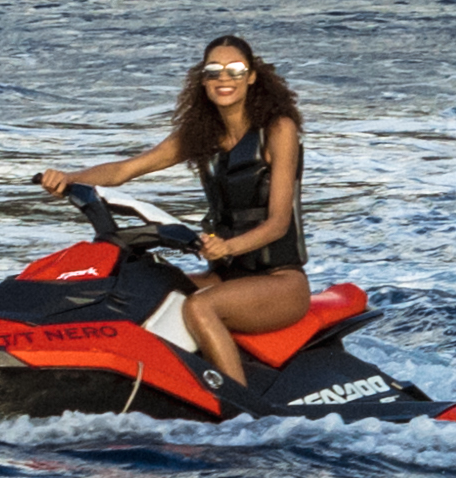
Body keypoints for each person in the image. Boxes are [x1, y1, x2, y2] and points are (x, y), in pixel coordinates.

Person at [37, 38, 318, 411]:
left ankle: (240, 410)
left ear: (251, 77)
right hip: (226, 276)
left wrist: (229, 247)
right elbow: (124, 170)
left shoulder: (278, 130)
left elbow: (280, 222)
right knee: (149, 287)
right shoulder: (199, 135)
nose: (224, 78)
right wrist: (70, 179)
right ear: (202, 80)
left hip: (280, 281)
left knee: (199, 308)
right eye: (213, 71)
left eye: (234, 70)